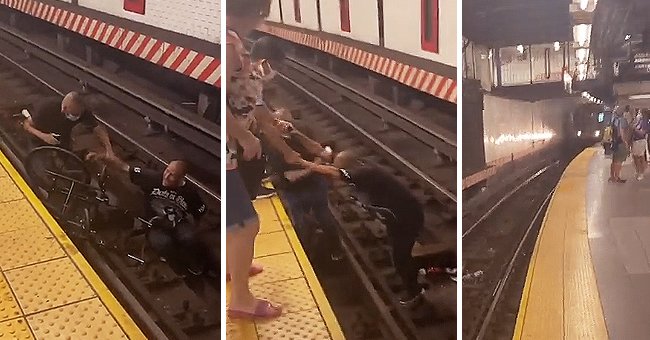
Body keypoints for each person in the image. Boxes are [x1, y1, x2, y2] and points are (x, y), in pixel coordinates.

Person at [225, 0, 285, 320]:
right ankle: (240, 301)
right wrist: (244, 135)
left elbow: (242, 92)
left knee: (236, 221)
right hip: (227, 148)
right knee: (246, 224)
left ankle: (236, 267)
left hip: (230, 147)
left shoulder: (231, 39)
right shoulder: (228, 42)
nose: (259, 23)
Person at [310, 150, 425, 305]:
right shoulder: (366, 171)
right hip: (398, 218)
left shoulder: (366, 174)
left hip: (406, 218)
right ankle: (414, 278)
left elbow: (338, 173)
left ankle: (415, 292)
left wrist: (305, 164)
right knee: (399, 253)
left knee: (400, 258)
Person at [89, 152, 207, 275]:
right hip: (156, 223)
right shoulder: (153, 178)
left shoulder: (190, 192)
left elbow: (200, 213)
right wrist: (104, 158)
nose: (166, 177)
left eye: (172, 175)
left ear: (181, 178)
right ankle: (177, 266)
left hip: (178, 222)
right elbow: (125, 168)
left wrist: (194, 228)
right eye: (167, 171)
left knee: (189, 238)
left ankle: (195, 262)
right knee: (162, 243)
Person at [266, 110, 343, 261]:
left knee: (311, 219)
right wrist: (313, 167)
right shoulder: (277, 141)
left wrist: (307, 168)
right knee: (313, 218)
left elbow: (322, 152)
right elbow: (290, 176)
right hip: (304, 185)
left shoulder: (294, 133)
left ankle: (314, 252)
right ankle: (328, 250)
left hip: (302, 187)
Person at [23, 92, 114, 158]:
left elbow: (97, 128)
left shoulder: (81, 111)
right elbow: (27, 125)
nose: (76, 117)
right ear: (64, 109)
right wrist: (44, 136)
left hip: (60, 136)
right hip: (39, 134)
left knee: (66, 157)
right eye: (73, 115)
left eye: (77, 115)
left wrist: (109, 149)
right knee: (38, 161)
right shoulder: (46, 108)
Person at [610, 106, 631, 183]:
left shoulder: (614, 119)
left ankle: (612, 176)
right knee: (619, 162)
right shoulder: (622, 120)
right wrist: (625, 143)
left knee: (614, 161)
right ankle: (617, 177)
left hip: (615, 142)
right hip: (620, 142)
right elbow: (621, 132)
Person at [631, 109, 650, 180]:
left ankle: (641, 172)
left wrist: (634, 129)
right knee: (635, 157)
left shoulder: (646, 123)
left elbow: (643, 133)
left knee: (640, 157)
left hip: (640, 141)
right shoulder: (640, 121)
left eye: (641, 113)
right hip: (636, 140)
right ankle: (638, 170)